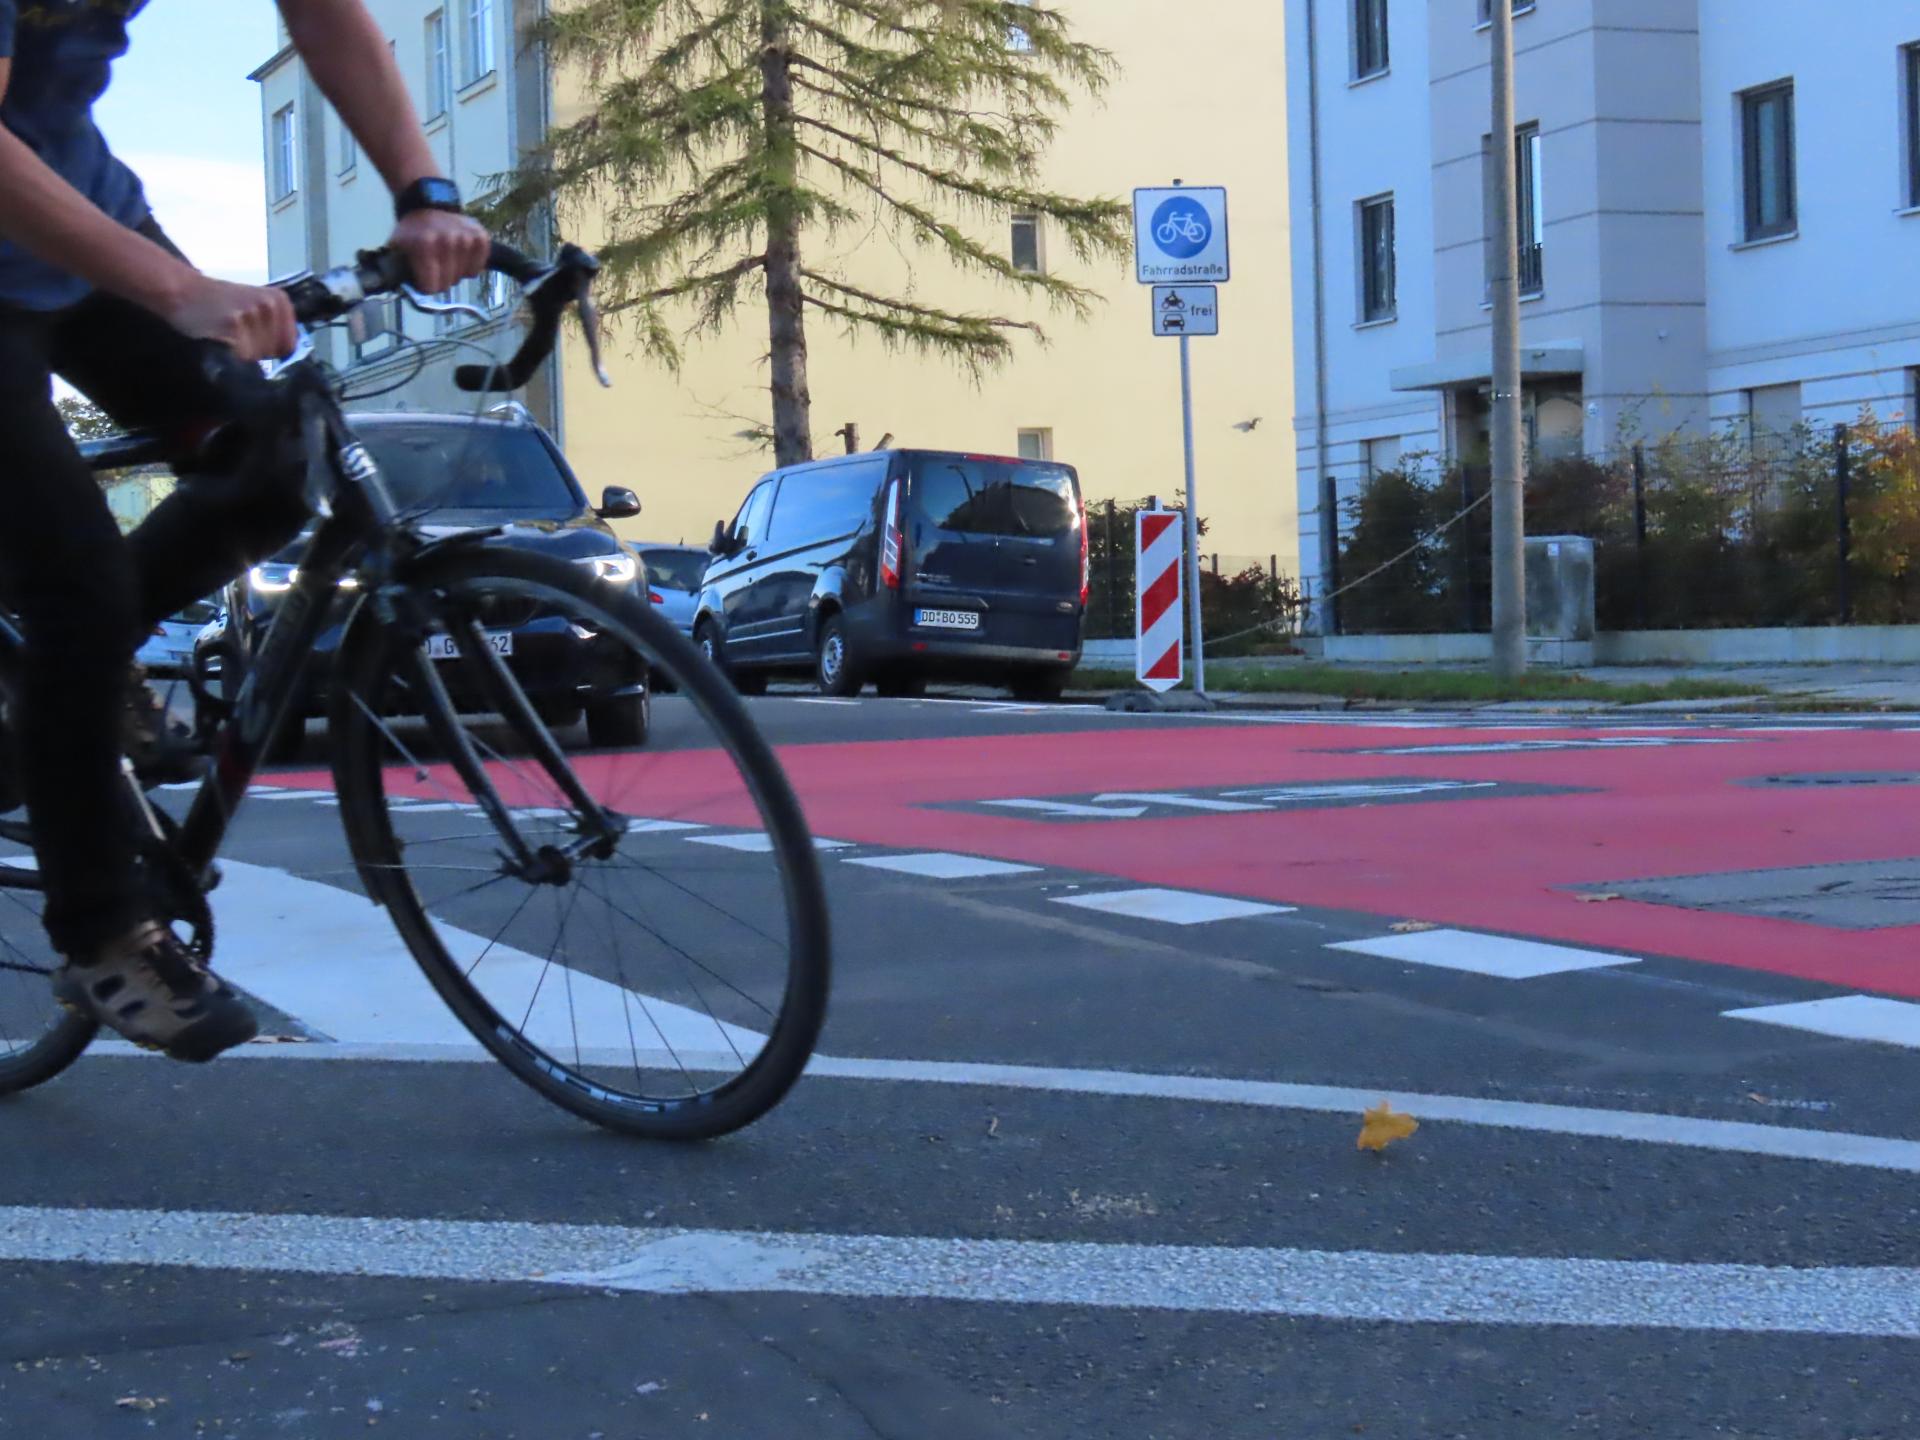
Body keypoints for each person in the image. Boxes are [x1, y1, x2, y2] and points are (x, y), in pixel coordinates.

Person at [0, 0, 490, 1061]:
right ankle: (101, 934)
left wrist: (424, 193)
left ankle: (51, 714)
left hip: (73, 215)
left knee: (275, 455)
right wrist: (179, 288)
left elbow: (325, 12)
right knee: (72, 582)